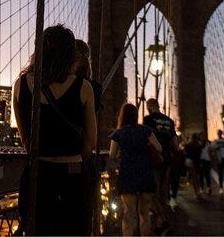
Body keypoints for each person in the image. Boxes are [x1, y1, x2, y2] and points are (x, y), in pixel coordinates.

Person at [13, 25, 97, 236]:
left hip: (36, 178)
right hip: (72, 180)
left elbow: (26, 141)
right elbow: (90, 145)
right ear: (70, 55)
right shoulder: (84, 87)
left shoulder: (20, 85)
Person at [109, 103, 162, 236]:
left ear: (122, 116)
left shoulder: (118, 133)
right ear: (136, 116)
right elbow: (159, 148)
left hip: (127, 174)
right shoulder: (146, 130)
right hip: (145, 173)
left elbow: (111, 155)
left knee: (128, 214)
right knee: (144, 213)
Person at [73, 39, 104, 235]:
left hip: (52, 168)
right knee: (83, 223)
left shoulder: (44, 84)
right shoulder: (94, 88)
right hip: (83, 166)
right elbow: (90, 142)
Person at [142, 98, 176, 231]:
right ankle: (159, 223)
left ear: (149, 106)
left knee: (153, 194)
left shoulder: (148, 120)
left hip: (154, 159)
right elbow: (175, 144)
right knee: (163, 193)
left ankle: (163, 219)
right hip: (167, 159)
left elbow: (147, 139)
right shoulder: (169, 121)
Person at [183, 133, 203, 200]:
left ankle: (196, 192)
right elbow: (200, 154)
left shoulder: (188, 145)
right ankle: (199, 191)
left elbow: (185, 153)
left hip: (190, 161)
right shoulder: (199, 145)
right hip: (197, 162)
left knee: (194, 177)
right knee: (197, 177)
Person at [212, 129, 224, 193]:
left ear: (222, 133)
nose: (219, 133)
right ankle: (221, 187)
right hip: (220, 159)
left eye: (220, 132)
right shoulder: (216, 141)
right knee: (220, 174)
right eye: (219, 133)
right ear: (218, 134)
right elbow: (212, 149)